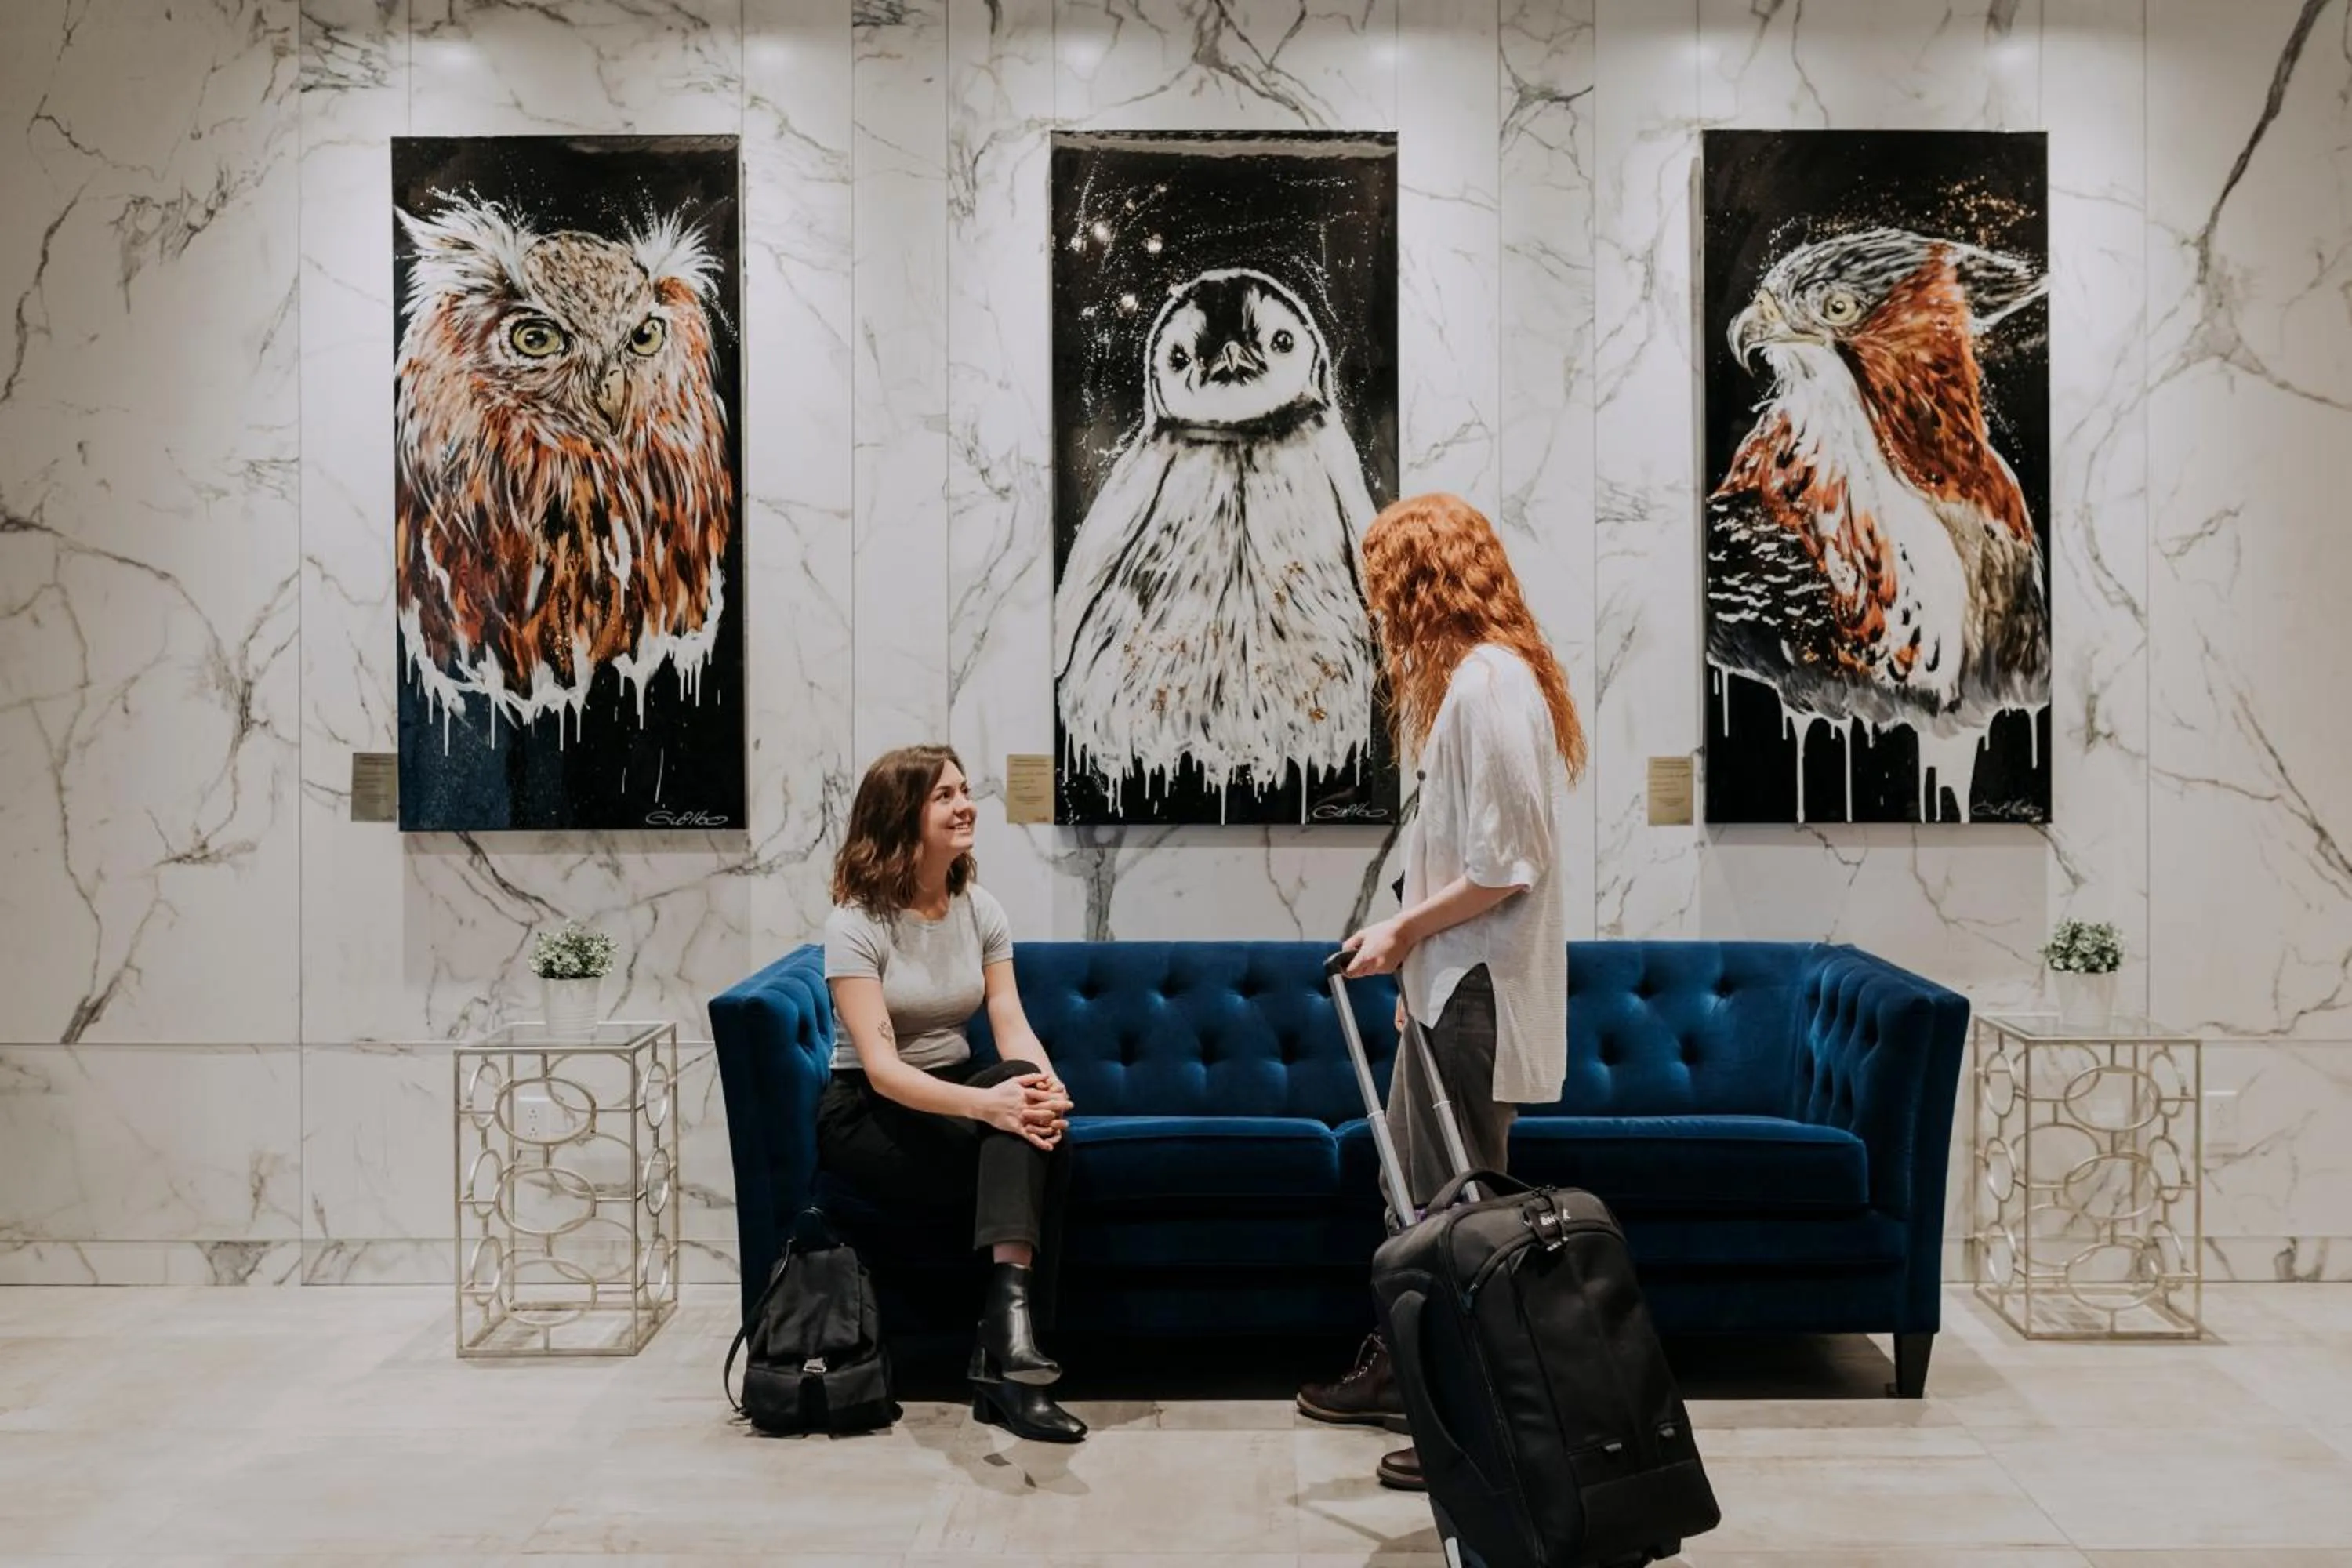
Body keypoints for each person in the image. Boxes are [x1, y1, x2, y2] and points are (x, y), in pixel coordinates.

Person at [1295, 493, 1586, 1492]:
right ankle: (1413, 1377)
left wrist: (1403, 931)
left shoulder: (1487, 683)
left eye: (1386, 580)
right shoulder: (1483, 681)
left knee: (1456, 1211)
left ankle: (1466, 1419)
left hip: (1474, 990)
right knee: (1422, 1195)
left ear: (1423, 578)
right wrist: (1408, 958)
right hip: (1448, 984)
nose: (1377, 604)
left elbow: (1509, 864)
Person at [818, 743, 1087, 1443]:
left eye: (964, 791)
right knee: (1022, 1131)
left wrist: (1042, 1085)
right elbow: (880, 1068)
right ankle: (1008, 1363)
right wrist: (995, 1106)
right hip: (872, 1112)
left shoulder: (978, 907)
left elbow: (1009, 1022)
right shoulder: (855, 924)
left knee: (1037, 1122)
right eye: (944, 796)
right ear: (901, 813)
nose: (967, 805)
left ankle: (1010, 1342)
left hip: (956, 1094)